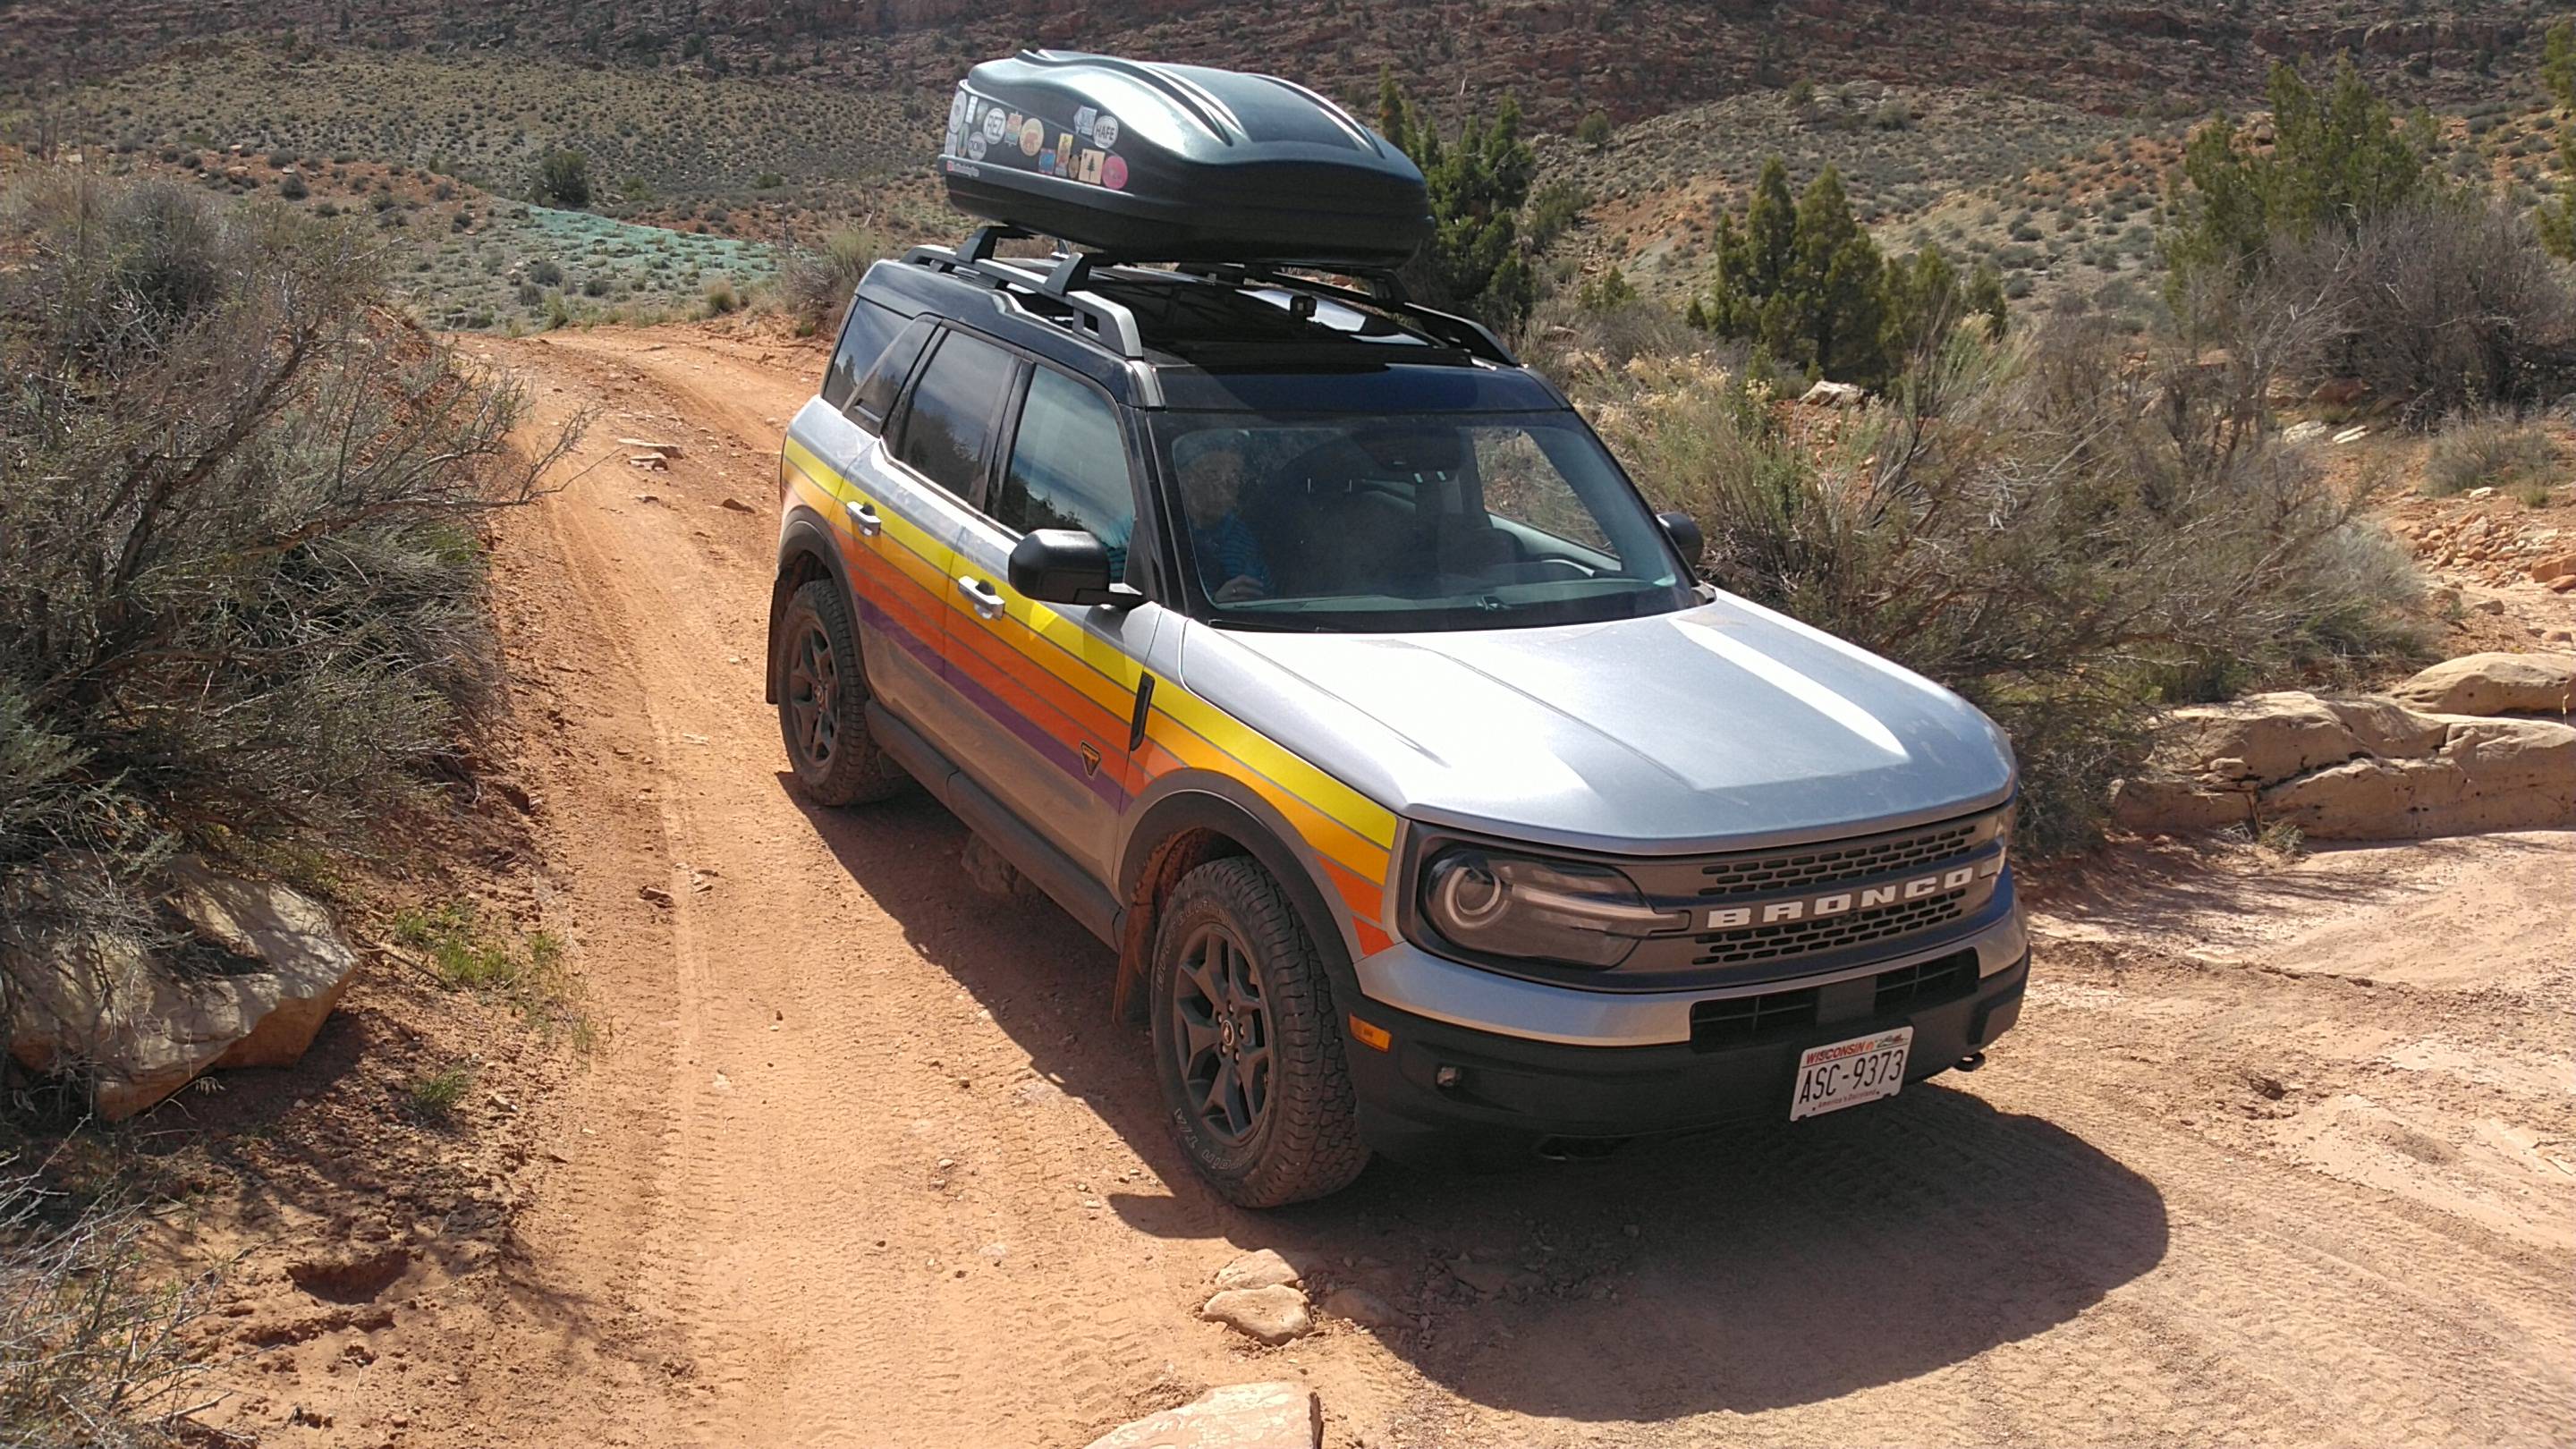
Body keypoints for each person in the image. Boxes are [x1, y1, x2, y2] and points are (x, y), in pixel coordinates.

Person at [1176, 440, 1272, 604]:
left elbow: (1267, 597)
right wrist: (1214, 602)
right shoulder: (1166, 532)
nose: (1224, 486)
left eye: (1234, 476)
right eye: (1212, 475)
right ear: (1185, 480)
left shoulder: (1242, 538)